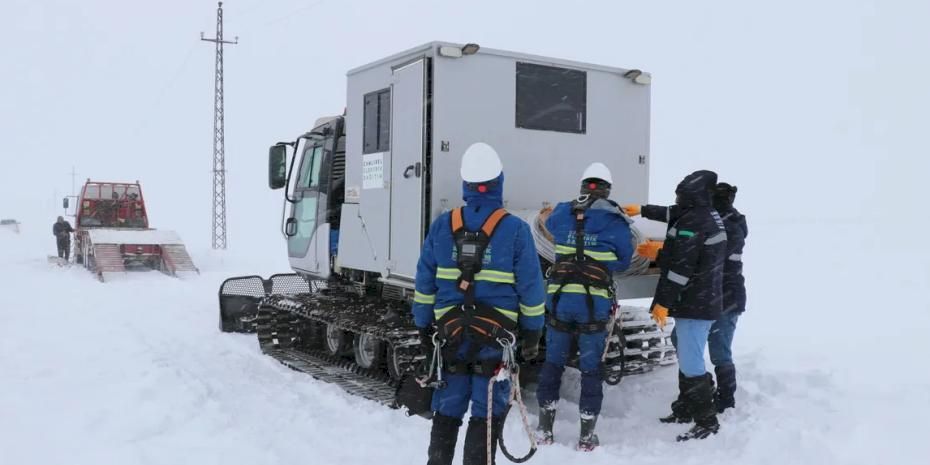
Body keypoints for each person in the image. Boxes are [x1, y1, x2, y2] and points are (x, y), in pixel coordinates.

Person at [413, 142, 546, 465]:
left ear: (465, 184)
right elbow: (531, 288)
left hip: (450, 335)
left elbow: (424, 282)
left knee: (448, 407)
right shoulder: (515, 229)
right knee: (486, 411)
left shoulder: (443, 225)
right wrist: (532, 334)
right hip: (495, 340)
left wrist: (422, 324)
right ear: (499, 182)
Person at [535, 162, 633, 451]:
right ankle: (586, 436)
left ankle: (544, 430)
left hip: (560, 301)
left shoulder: (563, 212)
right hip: (593, 305)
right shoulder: (616, 221)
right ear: (607, 189)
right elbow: (624, 261)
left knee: (552, 364)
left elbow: (549, 224)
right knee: (591, 370)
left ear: (582, 186)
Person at [623, 170, 727, 441]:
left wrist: (662, 304)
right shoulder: (701, 212)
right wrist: (643, 210)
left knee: (691, 361)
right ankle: (684, 408)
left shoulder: (695, 221)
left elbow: (679, 270)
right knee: (680, 343)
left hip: (695, 304)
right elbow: (674, 214)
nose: (677, 200)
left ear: (692, 196)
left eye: (681, 196)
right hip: (703, 299)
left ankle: (707, 420)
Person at [708, 182, 747, 412]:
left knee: (720, 350)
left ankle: (725, 398)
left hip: (726, 296)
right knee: (680, 341)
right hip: (715, 296)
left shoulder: (731, 226)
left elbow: (712, 254)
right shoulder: (725, 222)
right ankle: (704, 387)